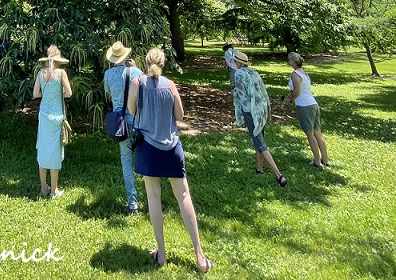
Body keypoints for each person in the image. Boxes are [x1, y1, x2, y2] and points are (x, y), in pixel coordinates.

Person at [127, 48, 212, 273]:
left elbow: (131, 110)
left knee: (154, 197)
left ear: (145, 63)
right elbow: (180, 116)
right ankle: (200, 257)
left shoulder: (137, 83)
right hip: (172, 146)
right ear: (164, 63)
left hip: (148, 148)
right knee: (184, 197)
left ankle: (162, 254)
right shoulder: (171, 84)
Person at [232, 51, 287, 186]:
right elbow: (264, 91)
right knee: (259, 137)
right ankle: (259, 168)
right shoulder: (254, 72)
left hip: (251, 111)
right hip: (261, 109)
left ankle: (279, 175)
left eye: (235, 61)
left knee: (260, 143)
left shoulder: (238, 74)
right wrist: (268, 109)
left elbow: (240, 94)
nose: (234, 62)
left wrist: (233, 94)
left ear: (239, 62)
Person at [104, 40, 143, 215]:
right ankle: (152, 198)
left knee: (126, 162)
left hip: (120, 125)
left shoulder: (108, 75)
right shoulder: (136, 72)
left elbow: (109, 94)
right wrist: (135, 67)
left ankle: (132, 203)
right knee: (145, 160)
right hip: (137, 121)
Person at [33, 45, 72, 199]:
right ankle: (54, 190)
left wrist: (46, 93)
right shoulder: (61, 73)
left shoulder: (40, 73)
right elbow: (69, 93)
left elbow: (35, 94)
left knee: (42, 149)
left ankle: (43, 187)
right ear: (58, 59)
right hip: (57, 116)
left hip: (44, 115)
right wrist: (59, 93)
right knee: (55, 152)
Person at [282, 52, 329, 167]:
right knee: (317, 133)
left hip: (305, 106)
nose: (288, 62)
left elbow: (297, 92)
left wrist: (288, 98)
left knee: (310, 134)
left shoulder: (295, 74)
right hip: (313, 104)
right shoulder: (304, 72)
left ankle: (317, 162)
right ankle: (325, 160)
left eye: (289, 60)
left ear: (293, 61)